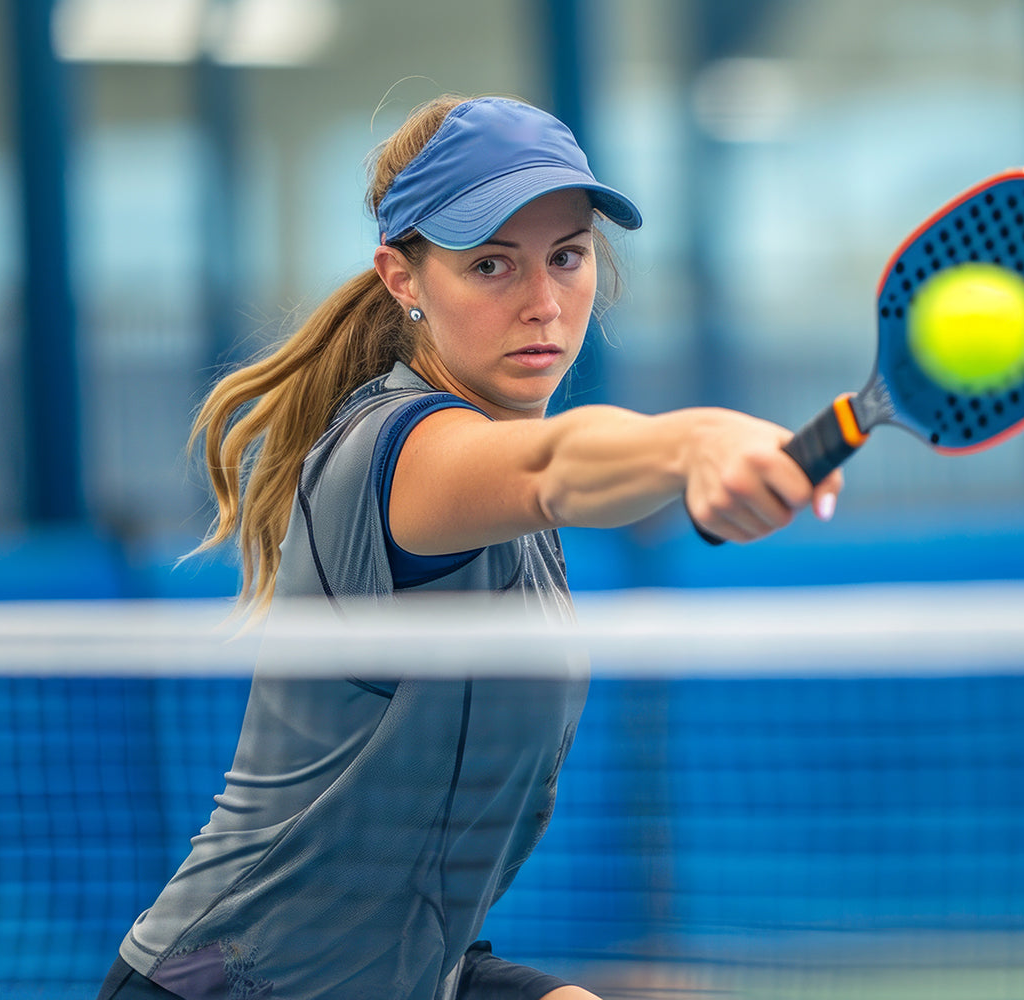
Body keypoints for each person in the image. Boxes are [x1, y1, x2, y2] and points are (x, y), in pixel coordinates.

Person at [96, 94, 842, 1000]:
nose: (543, 302)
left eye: (566, 257)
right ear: (402, 279)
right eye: (492, 264)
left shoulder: (513, 514)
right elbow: (551, 465)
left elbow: (406, 887)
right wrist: (693, 444)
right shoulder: (396, 450)